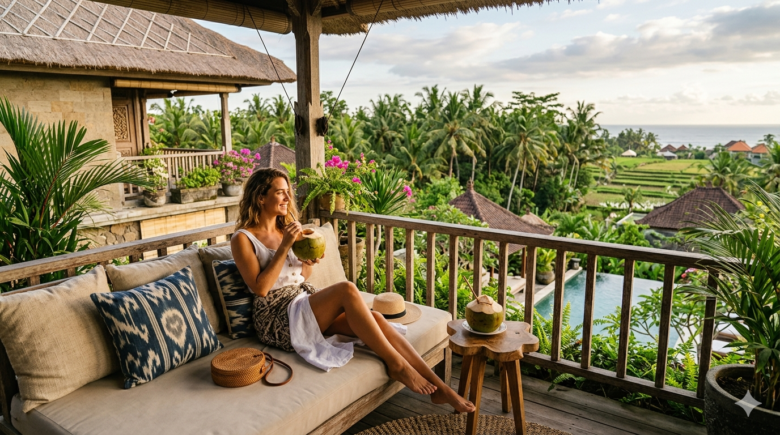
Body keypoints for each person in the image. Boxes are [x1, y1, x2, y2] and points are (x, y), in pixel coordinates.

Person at [231, 168, 475, 413]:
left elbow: (300, 277)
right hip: (276, 317)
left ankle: (440, 387)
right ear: (261, 197)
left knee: (377, 318)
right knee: (346, 290)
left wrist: (308, 262)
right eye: (280, 193)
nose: (287, 198)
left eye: (288, 193)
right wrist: (285, 246)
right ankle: (397, 366)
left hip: (300, 302)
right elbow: (260, 288)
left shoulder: (287, 229)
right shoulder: (243, 238)